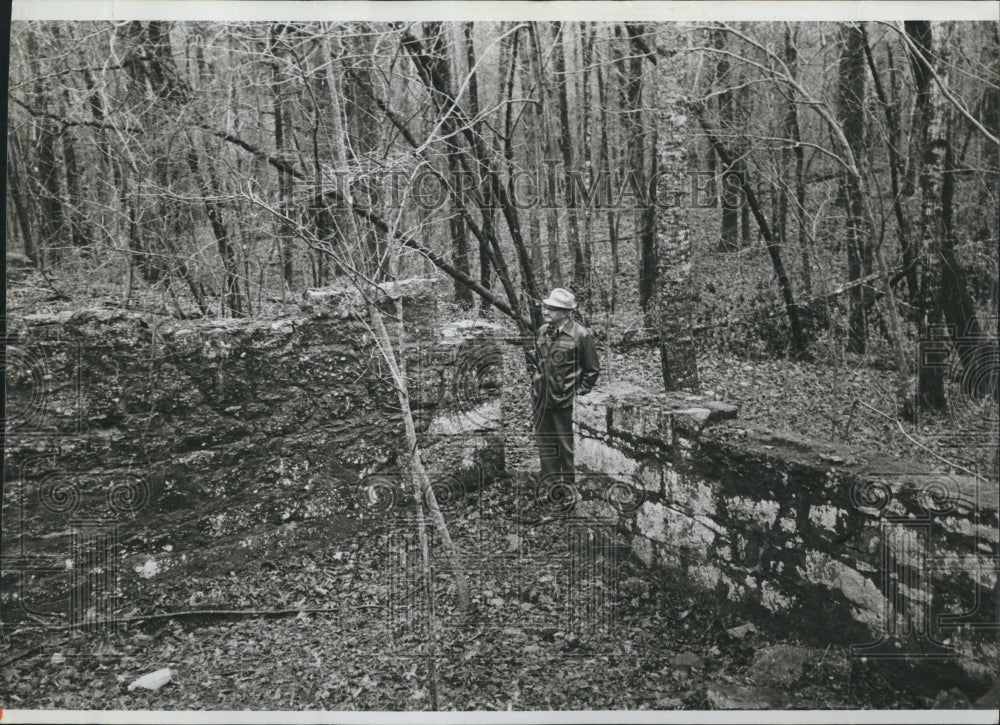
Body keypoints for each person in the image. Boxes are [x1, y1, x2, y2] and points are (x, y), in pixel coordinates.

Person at [529, 288, 600, 499]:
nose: (546, 311)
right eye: (547, 307)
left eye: (552, 309)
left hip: (565, 403)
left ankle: (570, 492)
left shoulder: (581, 335)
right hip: (541, 400)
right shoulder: (543, 331)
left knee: (567, 449)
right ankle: (551, 490)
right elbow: (538, 361)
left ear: (567, 312)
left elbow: (592, 370)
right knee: (547, 446)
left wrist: (576, 394)